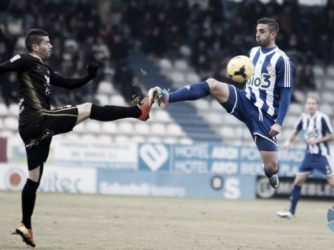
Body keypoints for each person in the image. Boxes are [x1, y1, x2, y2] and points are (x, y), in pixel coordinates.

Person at [0, 29, 155, 247]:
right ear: (35, 47)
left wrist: (89, 76)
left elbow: (69, 83)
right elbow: (4, 67)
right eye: (46, 42)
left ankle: (26, 225)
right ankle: (138, 112)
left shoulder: (44, 69)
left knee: (33, 177)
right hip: (37, 119)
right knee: (88, 109)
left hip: (31, 128)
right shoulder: (26, 59)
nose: (51, 45)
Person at [153, 18, 294, 189]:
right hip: (245, 100)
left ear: (273, 34)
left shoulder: (283, 61)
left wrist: (279, 123)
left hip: (264, 115)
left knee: (272, 166)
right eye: (257, 30)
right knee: (212, 84)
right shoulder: (253, 52)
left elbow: (286, 95)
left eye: (262, 31)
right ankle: (168, 98)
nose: (257, 34)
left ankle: (269, 173)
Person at [277, 97, 334, 220]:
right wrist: (288, 141)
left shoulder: (322, 118)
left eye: (313, 103)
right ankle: (291, 212)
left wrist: (317, 140)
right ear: (306, 105)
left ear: (317, 105)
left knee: (333, 182)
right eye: (309, 103)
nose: (311, 105)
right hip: (309, 156)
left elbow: (332, 136)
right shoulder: (303, 119)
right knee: (298, 181)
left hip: (322, 156)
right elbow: (295, 131)